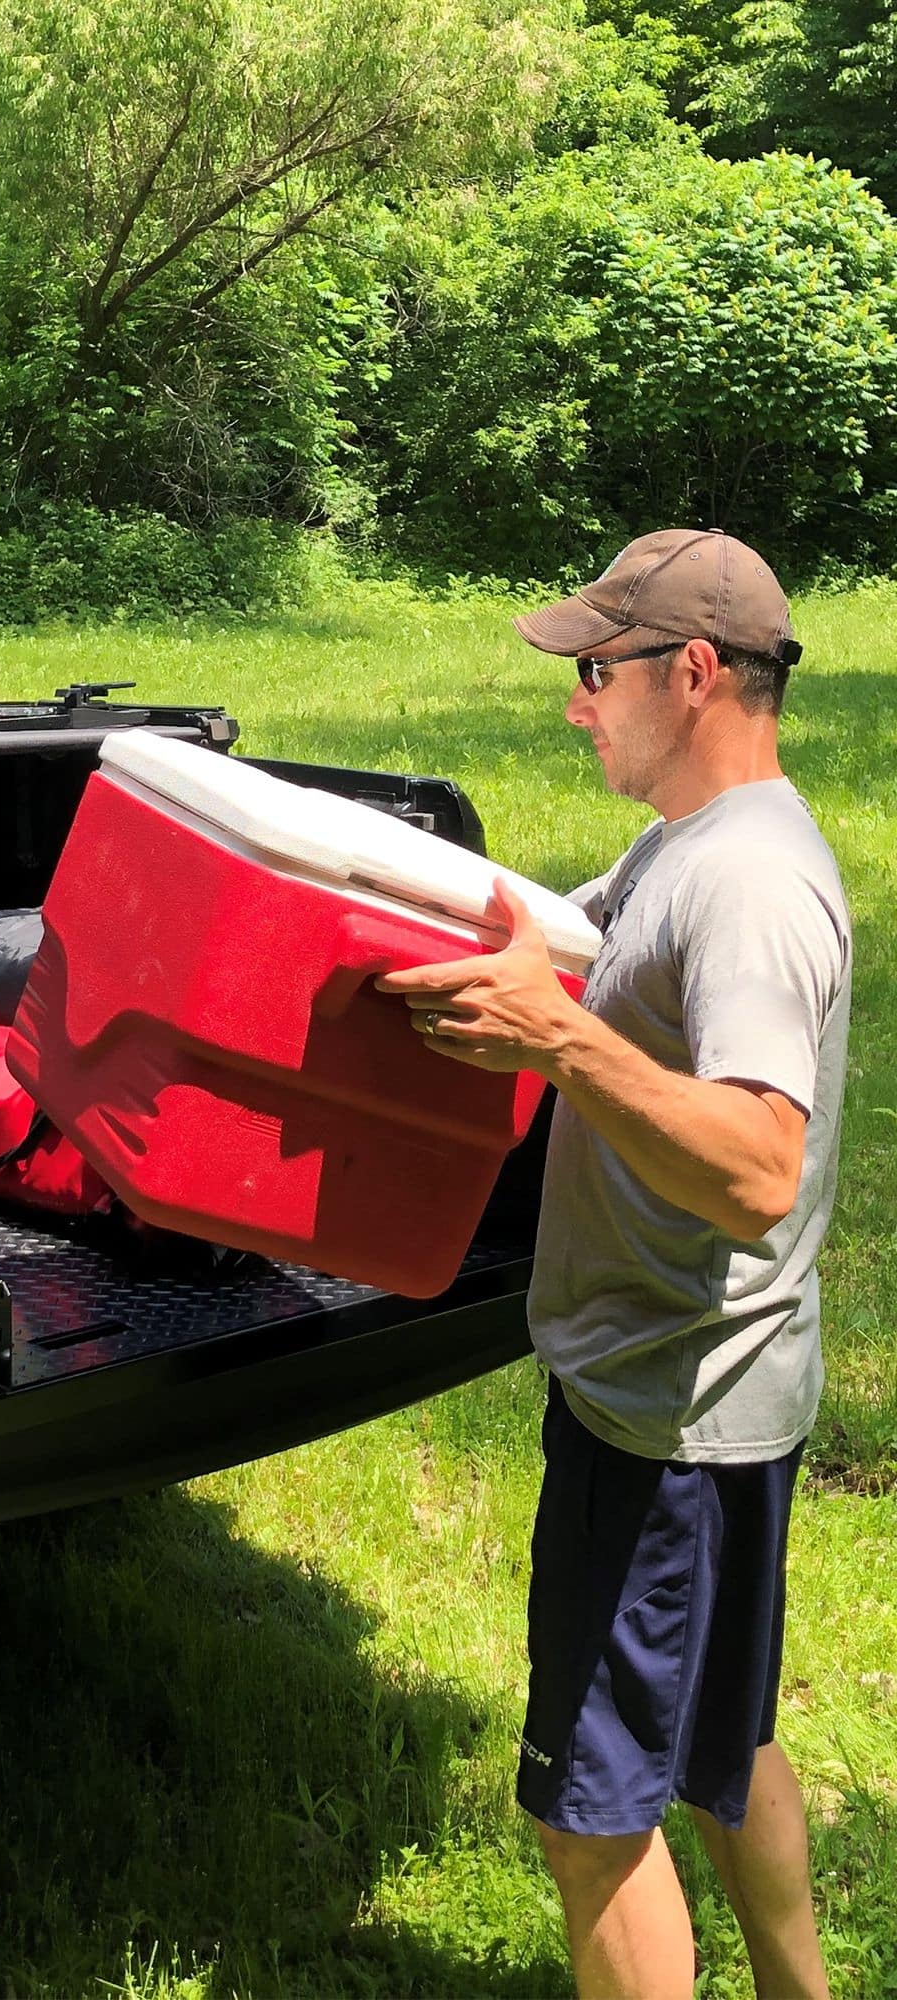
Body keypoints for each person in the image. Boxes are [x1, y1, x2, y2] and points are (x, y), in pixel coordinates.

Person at [376, 529, 850, 2000]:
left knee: (588, 1824)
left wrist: (564, 1044)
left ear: (693, 673)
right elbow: (565, 941)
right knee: (726, 1742)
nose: (575, 703)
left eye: (597, 672)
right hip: (717, 1398)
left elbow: (761, 1168)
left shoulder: (752, 888)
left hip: (666, 1420)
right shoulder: (691, 843)